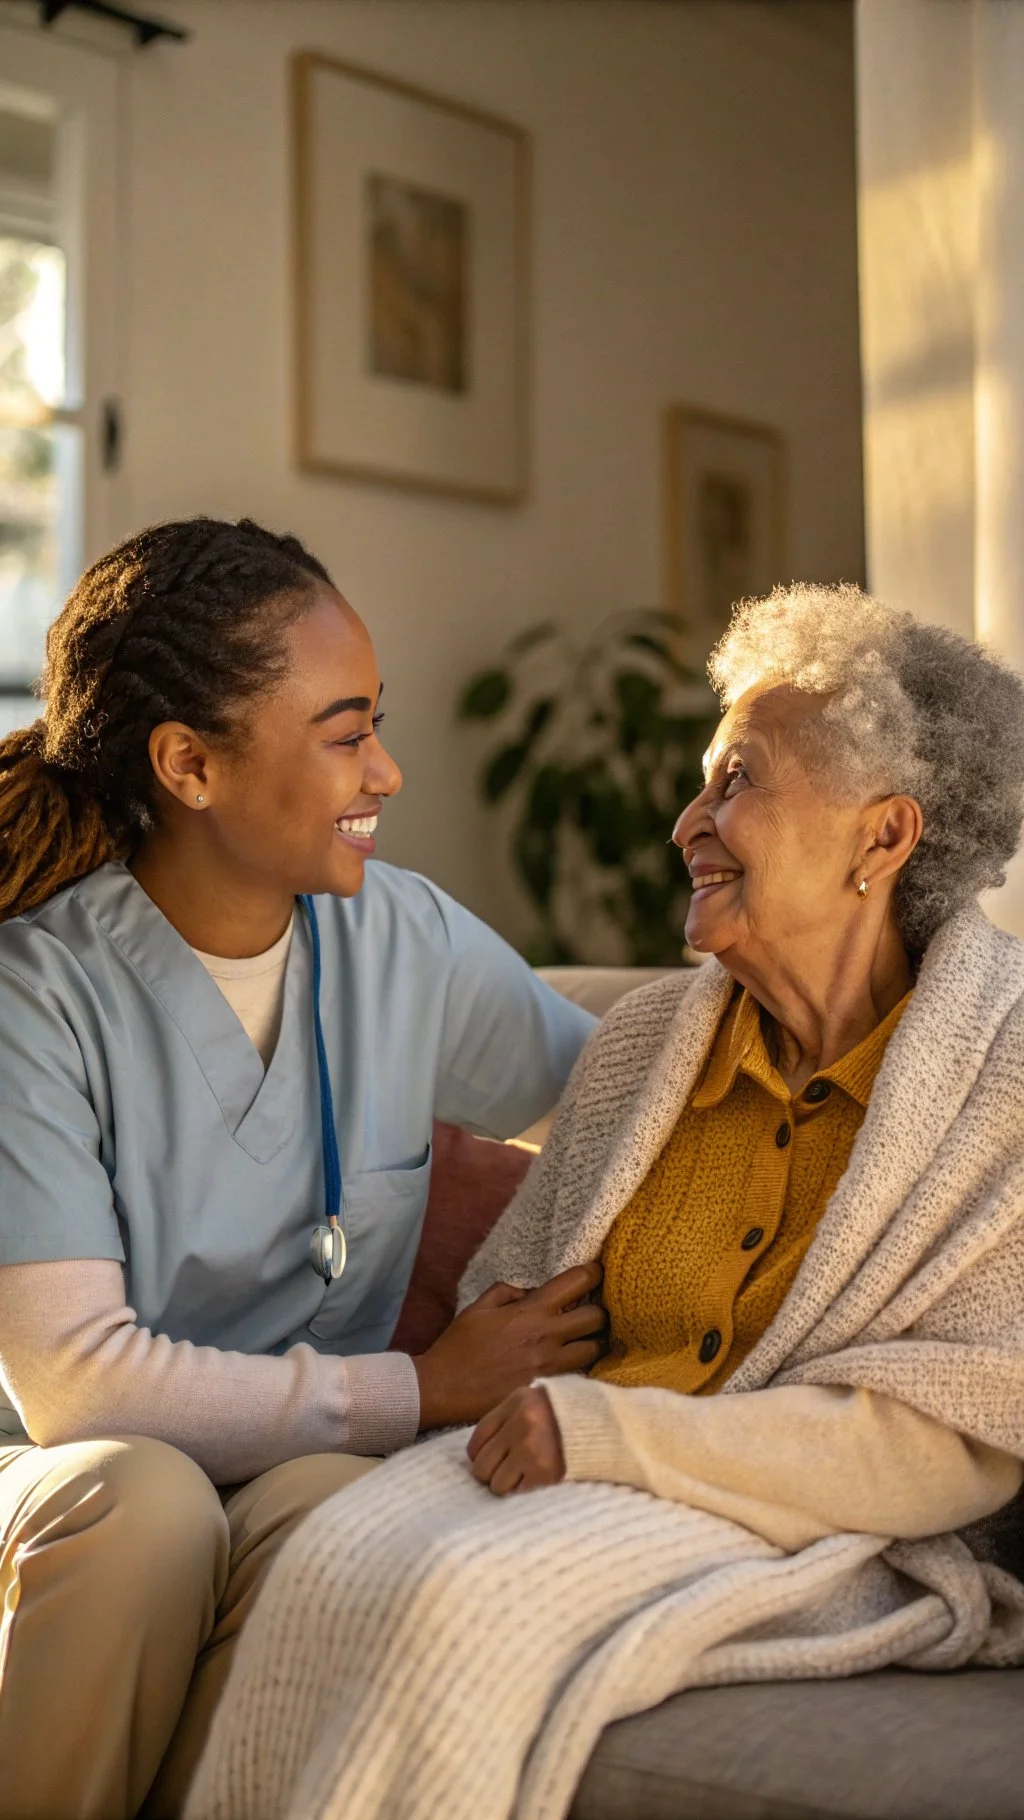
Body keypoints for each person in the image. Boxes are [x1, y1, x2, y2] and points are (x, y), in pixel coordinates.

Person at [188, 584, 1024, 1820]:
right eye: (700, 780)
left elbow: (957, 1431)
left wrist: (610, 1434)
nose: (687, 819)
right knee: (325, 1560)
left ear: (882, 836)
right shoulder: (644, 1045)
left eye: (738, 781)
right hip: (574, 1473)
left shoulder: (1000, 1073)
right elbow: (509, 1299)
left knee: (461, 1601)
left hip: (816, 1519)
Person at [0, 516, 605, 1820]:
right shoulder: (35, 993)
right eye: (344, 734)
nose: (386, 769)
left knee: (346, 1521)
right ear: (189, 764)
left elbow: (616, 1100)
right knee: (152, 1508)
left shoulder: (404, 941)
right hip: (68, 1476)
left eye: (376, 724)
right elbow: (72, 1386)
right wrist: (423, 1385)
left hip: (289, 1463)